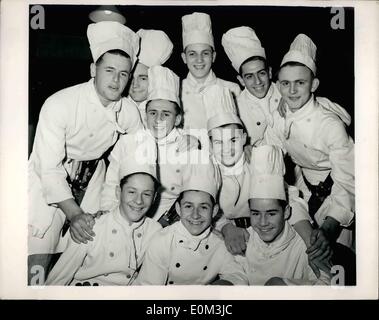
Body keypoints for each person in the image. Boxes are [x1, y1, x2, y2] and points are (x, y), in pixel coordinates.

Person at [28, 21, 142, 284]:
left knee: (83, 249)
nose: (116, 80)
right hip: (50, 176)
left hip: (93, 178)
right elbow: (49, 168)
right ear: (93, 69)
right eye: (109, 70)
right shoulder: (60, 104)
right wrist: (74, 213)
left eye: (124, 74)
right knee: (38, 253)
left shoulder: (129, 111)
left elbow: (135, 158)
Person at [265, 34, 355, 282]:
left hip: (336, 192)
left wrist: (329, 228)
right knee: (300, 260)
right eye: (285, 84)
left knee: (333, 261)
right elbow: (270, 156)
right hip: (303, 184)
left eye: (300, 83)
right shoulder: (279, 114)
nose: (291, 91)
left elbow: (348, 181)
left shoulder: (329, 124)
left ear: (314, 85)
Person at [203, 84, 314, 261]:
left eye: (233, 139)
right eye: (218, 142)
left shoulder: (257, 159)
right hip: (227, 236)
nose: (227, 149)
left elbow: (290, 199)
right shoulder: (206, 170)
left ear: (244, 138)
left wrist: (310, 241)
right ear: (210, 144)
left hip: (267, 228)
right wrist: (226, 227)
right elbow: (201, 208)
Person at [45, 133, 162, 285]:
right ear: (118, 192)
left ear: (154, 199)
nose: (138, 201)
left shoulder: (154, 231)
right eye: (131, 192)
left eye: (146, 194)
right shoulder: (92, 226)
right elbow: (58, 278)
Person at [101, 65, 201, 225]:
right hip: (126, 215)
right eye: (153, 113)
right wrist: (110, 218)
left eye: (166, 114)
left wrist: (166, 223)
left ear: (177, 119)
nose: (158, 119)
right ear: (145, 115)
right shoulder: (128, 142)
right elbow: (111, 186)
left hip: (171, 221)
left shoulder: (189, 146)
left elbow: (196, 194)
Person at [135, 157, 248, 285]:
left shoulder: (219, 243)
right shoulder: (162, 241)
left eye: (204, 207)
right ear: (178, 208)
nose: (195, 215)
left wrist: (222, 286)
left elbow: (238, 276)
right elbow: (149, 291)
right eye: (188, 206)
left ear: (215, 211)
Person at [236, 145, 331, 285]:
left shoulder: (306, 244)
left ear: (286, 211)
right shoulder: (245, 238)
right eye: (256, 213)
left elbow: (331, 282)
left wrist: (284, 286)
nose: (263, 222)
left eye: (271, 213)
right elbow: (233, 274)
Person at [180, 12, 241, 144]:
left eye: (205, 53)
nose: (199, 59)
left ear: (213, 56)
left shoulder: (232, 89)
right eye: (192, 54)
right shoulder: (176, 89)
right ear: (184, 58)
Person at [222, 26, 282, 147]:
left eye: (261, 73)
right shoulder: (236, 109)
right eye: (249, 76)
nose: (258, 81)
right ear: (241, 80)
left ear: (269, 72)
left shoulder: (286, 92)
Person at [128, 29, 173, 126]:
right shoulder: (119, 106)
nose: (135, 84)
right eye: (131, 78)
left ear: (155, 79)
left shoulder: (164, 110)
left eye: (143, 78)